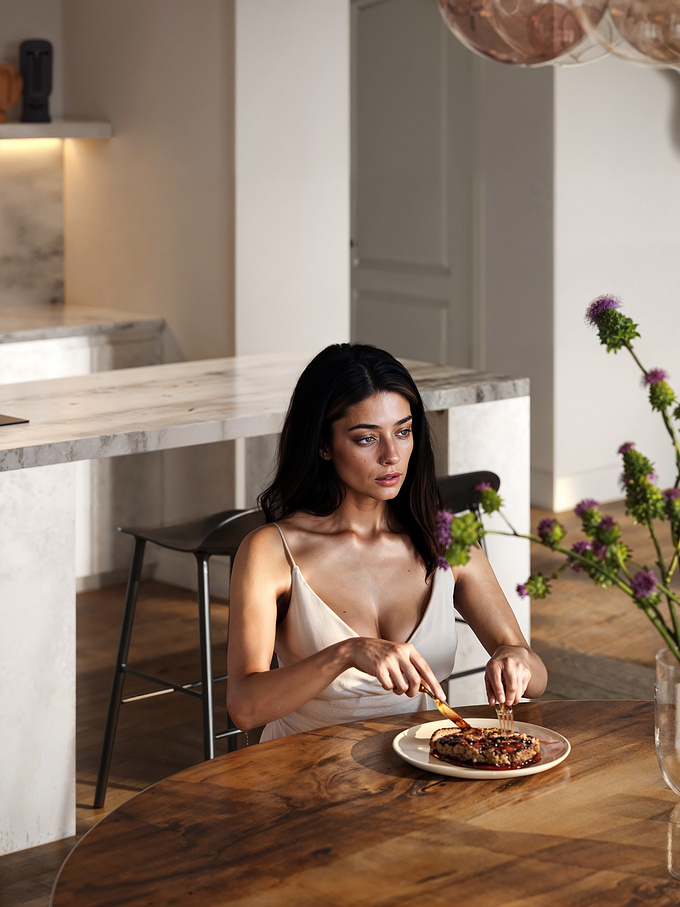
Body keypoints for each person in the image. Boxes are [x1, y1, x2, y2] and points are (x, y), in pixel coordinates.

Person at [226, 343, 547, 740]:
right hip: (305, 777)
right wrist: (346, 653)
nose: (392, 455)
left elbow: (536, 675)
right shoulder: (271, 551)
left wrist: (514, 659)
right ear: (323, 445)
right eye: (366, 439)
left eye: (403, 431)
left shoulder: (441, 542)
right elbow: (244, 707)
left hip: (420, 771)